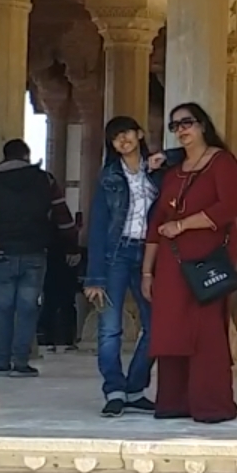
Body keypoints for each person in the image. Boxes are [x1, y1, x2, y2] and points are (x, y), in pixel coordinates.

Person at [143, 102, 237, 424]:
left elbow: (228, 207)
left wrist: (183, 225)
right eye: (175, 126)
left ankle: (211, 405)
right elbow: (156, 222)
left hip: (206, 261)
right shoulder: (174, 171)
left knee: (206, 331)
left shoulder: (222, 163)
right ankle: (175, 402)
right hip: (172, 264)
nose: (182, 129)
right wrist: (147, 271)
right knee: (172, 329)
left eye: (187, 123)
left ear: (202, 124)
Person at [0, 138, 79, 377]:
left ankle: (0, 360)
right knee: (27, 308)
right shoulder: (44, 180)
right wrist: (72, 245)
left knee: (3, 308)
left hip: (2, 253)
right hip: (34, 253)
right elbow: (62, 216)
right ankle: (21, 362)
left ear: (5, 157)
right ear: (26, 156)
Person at [83, 115, 173, 417]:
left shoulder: (158, 170)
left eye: (127, 133)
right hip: (116, 253)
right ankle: (115, 390)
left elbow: (193, 155)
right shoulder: (109, 175)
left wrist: (167, 157)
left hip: (151, 253)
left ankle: (135, 388)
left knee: (157, 324)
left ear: (139, 134)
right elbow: (98, 225)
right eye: (116, 137)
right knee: (110, 329)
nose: (123, 140)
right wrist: (94, 276)